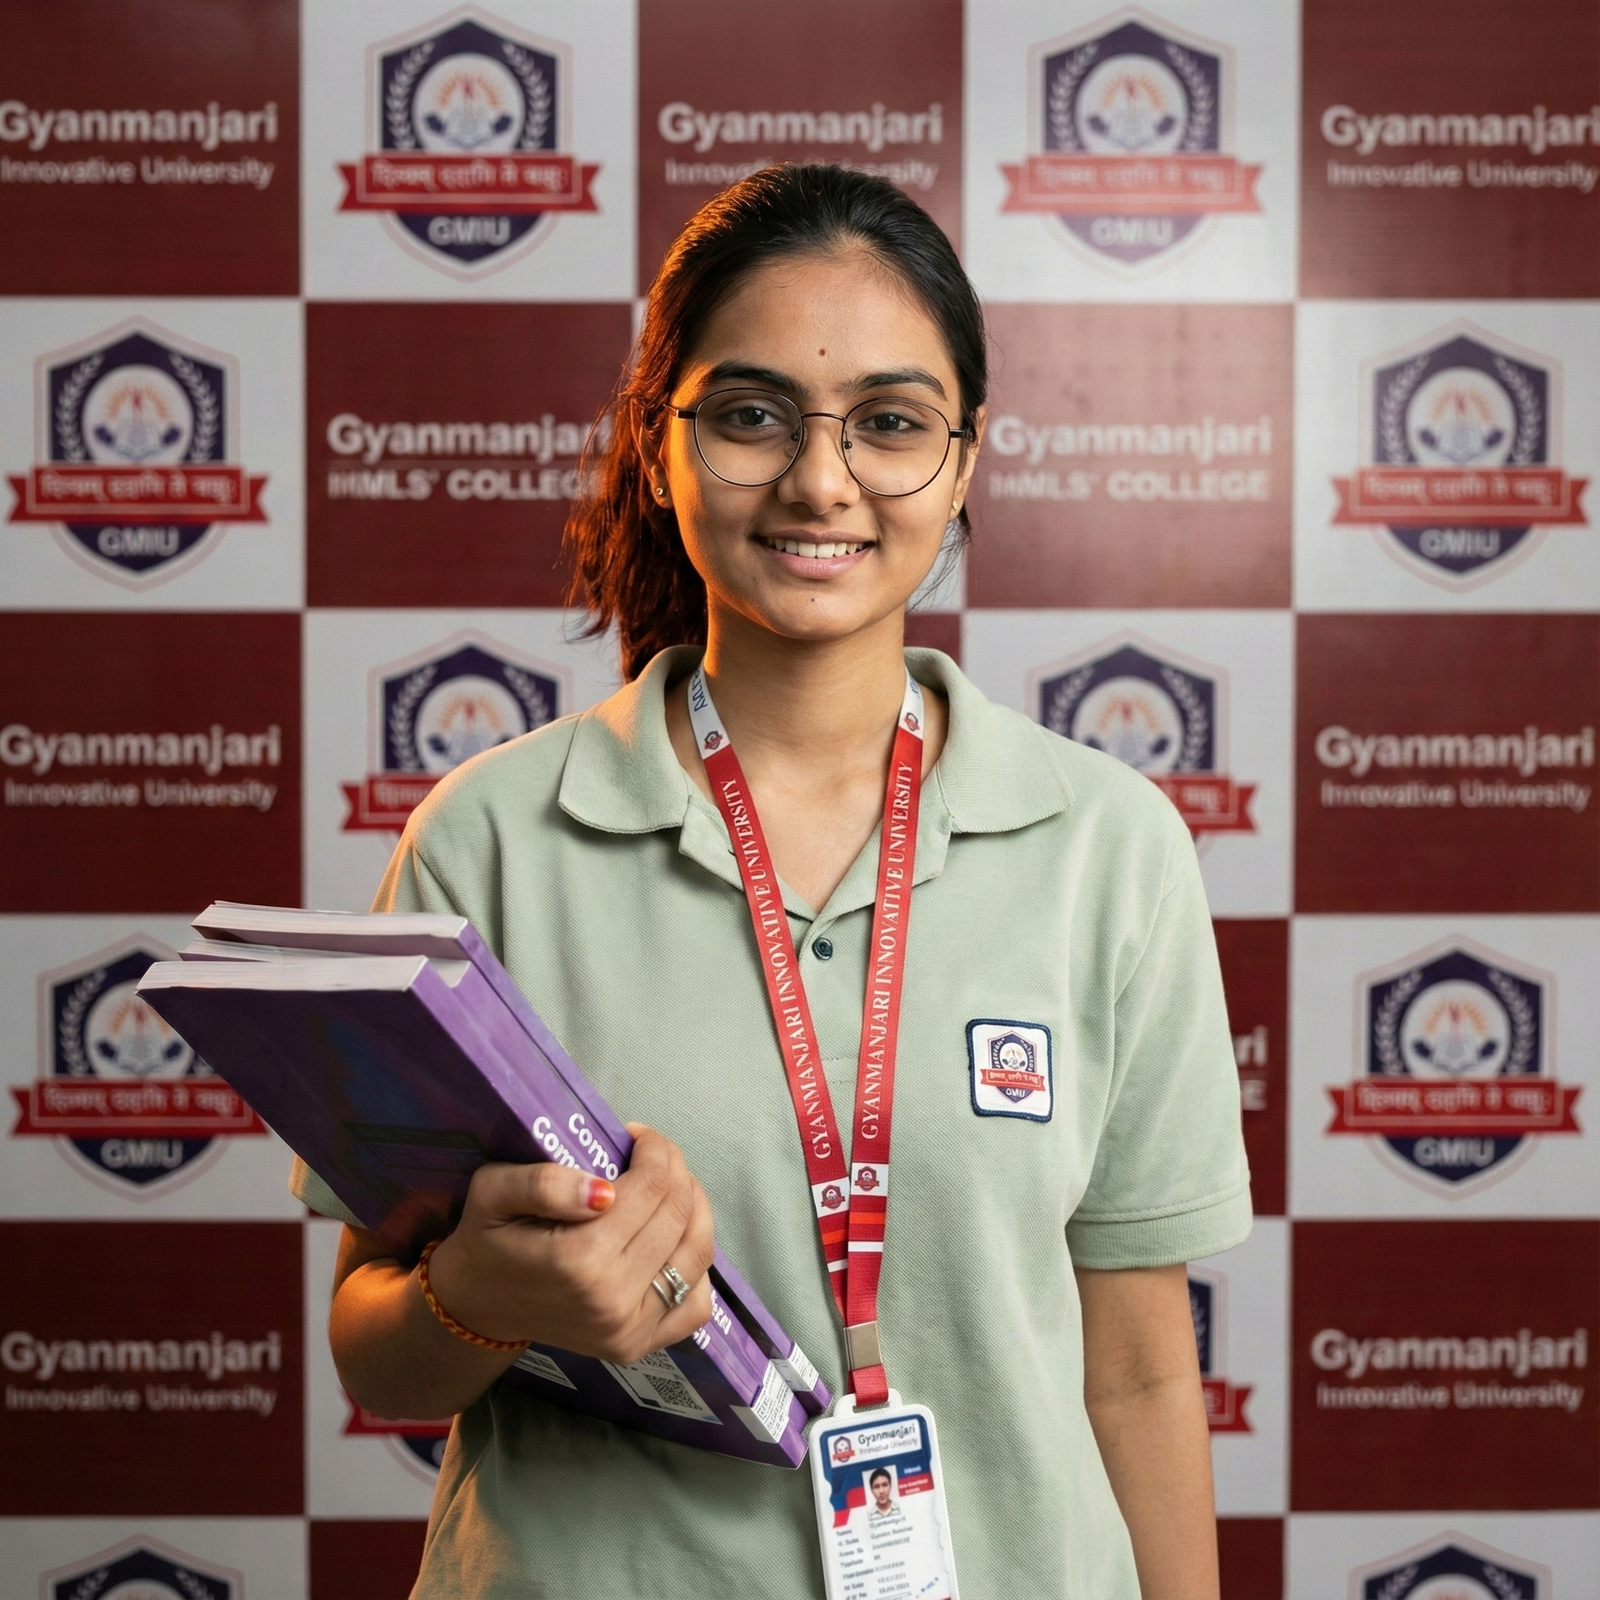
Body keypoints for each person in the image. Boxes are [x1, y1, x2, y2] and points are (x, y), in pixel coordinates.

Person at [297, 163, 1249, 1599]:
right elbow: (379, 1342)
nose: (820, 481)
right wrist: (478, 1297)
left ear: (965, 457)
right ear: (659, 441)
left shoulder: (1110, 848)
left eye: (889, 424)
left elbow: (1137, 1377)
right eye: (751, 417)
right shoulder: (490, 835)